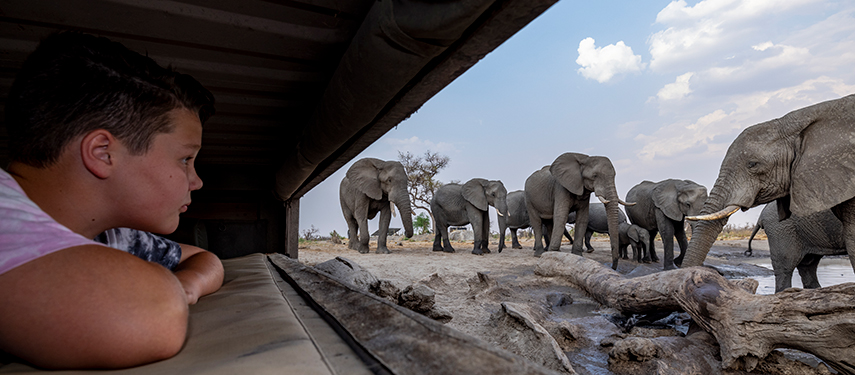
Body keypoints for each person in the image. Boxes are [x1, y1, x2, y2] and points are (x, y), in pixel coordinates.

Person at [0, 32, 224, 369]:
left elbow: (204, 259)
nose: (196, 180)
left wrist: (187, 285)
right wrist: (170, 291)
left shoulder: (112, 237)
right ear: (103, 153)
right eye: (185, 159)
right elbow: (151, 314)